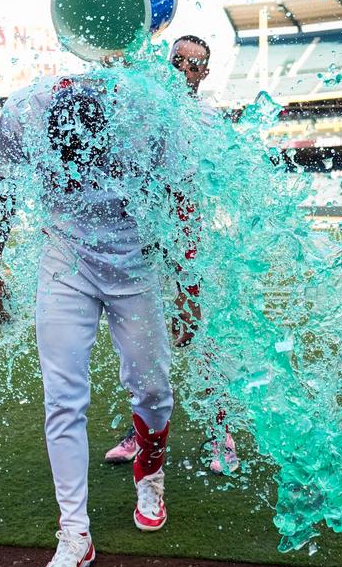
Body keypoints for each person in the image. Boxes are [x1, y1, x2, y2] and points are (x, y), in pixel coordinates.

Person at [0, 64, 199, 567]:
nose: (75, 177)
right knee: (62, 398)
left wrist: (188, 288)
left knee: (152, 388)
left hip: (137, 261)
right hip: (65, 261)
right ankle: (74, 534)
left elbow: (183, 201)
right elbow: (3, 190)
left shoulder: (149, 117)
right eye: (63, 168)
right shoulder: (23, 113)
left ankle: (149, 474)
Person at [102, 35, 240, 475]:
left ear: (205, 72)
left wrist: (193, 264)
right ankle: (138, 432)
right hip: (148, 242)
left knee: (205, 342)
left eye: (193, 64)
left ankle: (223, 434)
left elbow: (206, 190)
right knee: (142, 343)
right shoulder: (147, 110)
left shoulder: (208, 120)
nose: (183, 69)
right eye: (176, 60)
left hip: (194, 245)